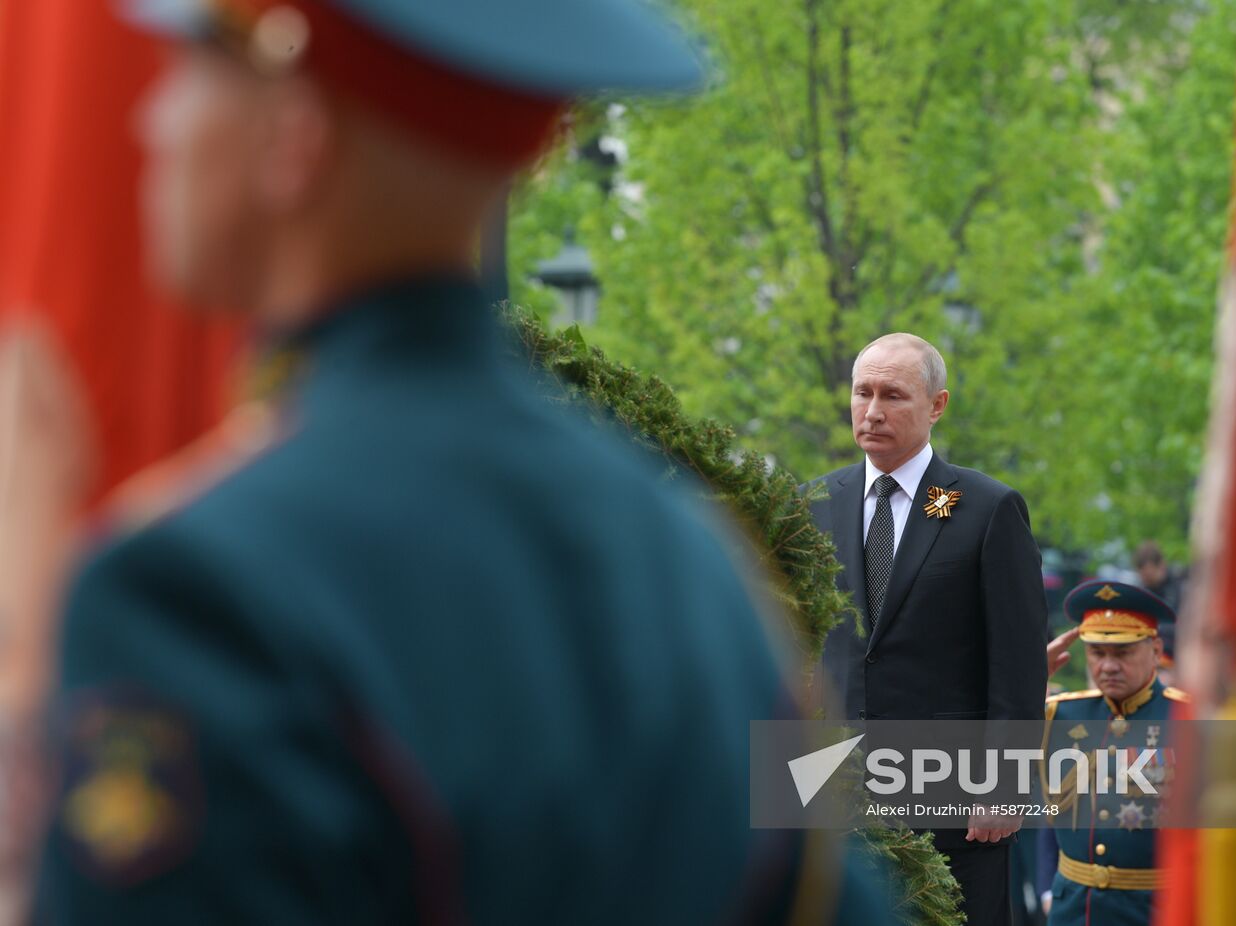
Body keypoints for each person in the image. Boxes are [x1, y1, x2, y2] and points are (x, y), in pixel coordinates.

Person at [29, 1, 900, 922]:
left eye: (185, 74)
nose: (148, 120)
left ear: (294, 139)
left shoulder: (189, 589)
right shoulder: (692, 557)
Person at [806, 332, 1049, 925]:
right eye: (862, 393)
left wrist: (1006, 783)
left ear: (936, 405)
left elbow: (1017, 664)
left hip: (954, 801)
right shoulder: (811, 503)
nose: (872, 410)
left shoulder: (985, 508)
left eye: (893, 394)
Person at [1041, 580, 1189, 926]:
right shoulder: (1056, 714)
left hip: (1155, 911)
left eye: (1122, 653)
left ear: (1155, 649)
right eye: (1097, 652)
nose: (1107, 666)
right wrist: (1026, 681)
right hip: (1074, 912)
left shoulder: (1189, 718)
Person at [1131, 541, 1184, 613]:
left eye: (1150, 577)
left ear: (1162, 565)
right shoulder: (1140, 590)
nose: (1147, 582)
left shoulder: (1181, 586)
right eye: (1144, 578)